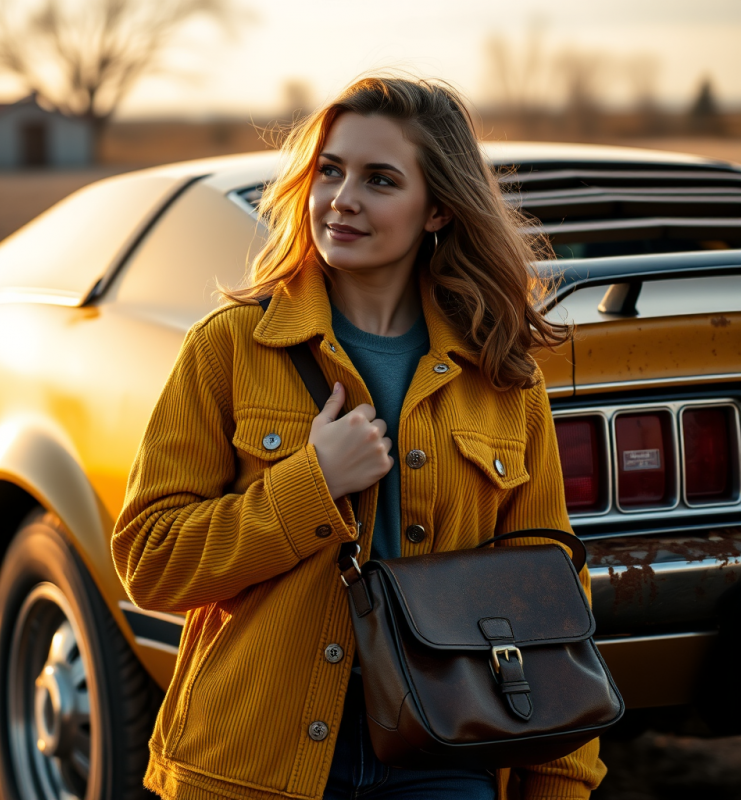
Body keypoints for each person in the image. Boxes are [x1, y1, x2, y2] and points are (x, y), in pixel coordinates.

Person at [111, 75, 607, 800]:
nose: (341, 198)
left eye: (379, 179)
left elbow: (552, 598)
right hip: (250, 757)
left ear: (437, 208)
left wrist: (557, 783)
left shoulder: (502, 377)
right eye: (330, 171)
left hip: (445, 755)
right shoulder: (231, 348)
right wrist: (309, 485)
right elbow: (150, 564)